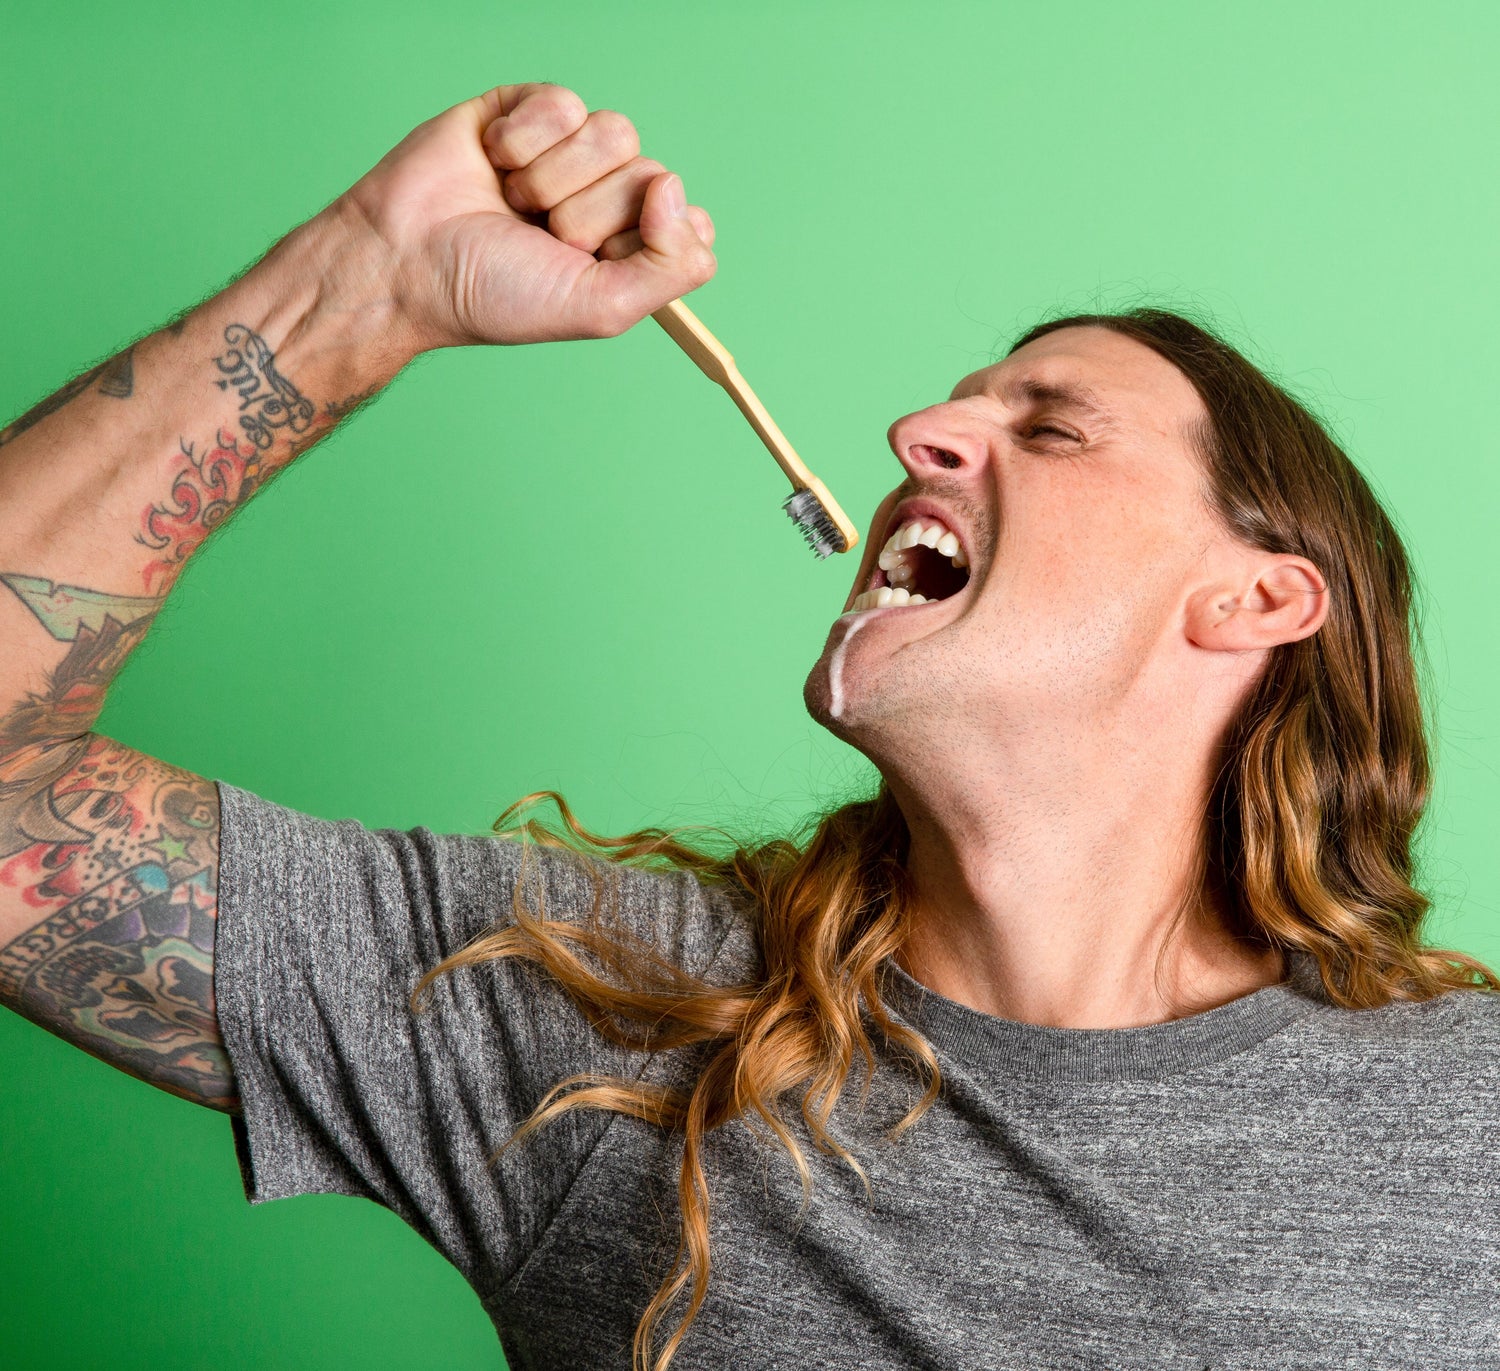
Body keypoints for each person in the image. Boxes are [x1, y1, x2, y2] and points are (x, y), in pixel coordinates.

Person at [1, 81, 1496, 1371]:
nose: (921, 433)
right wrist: (355, 290)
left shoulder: (1467, 1116)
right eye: (955, 410)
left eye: (1050, 428)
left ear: (1255, 601)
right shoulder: (598, 1014)